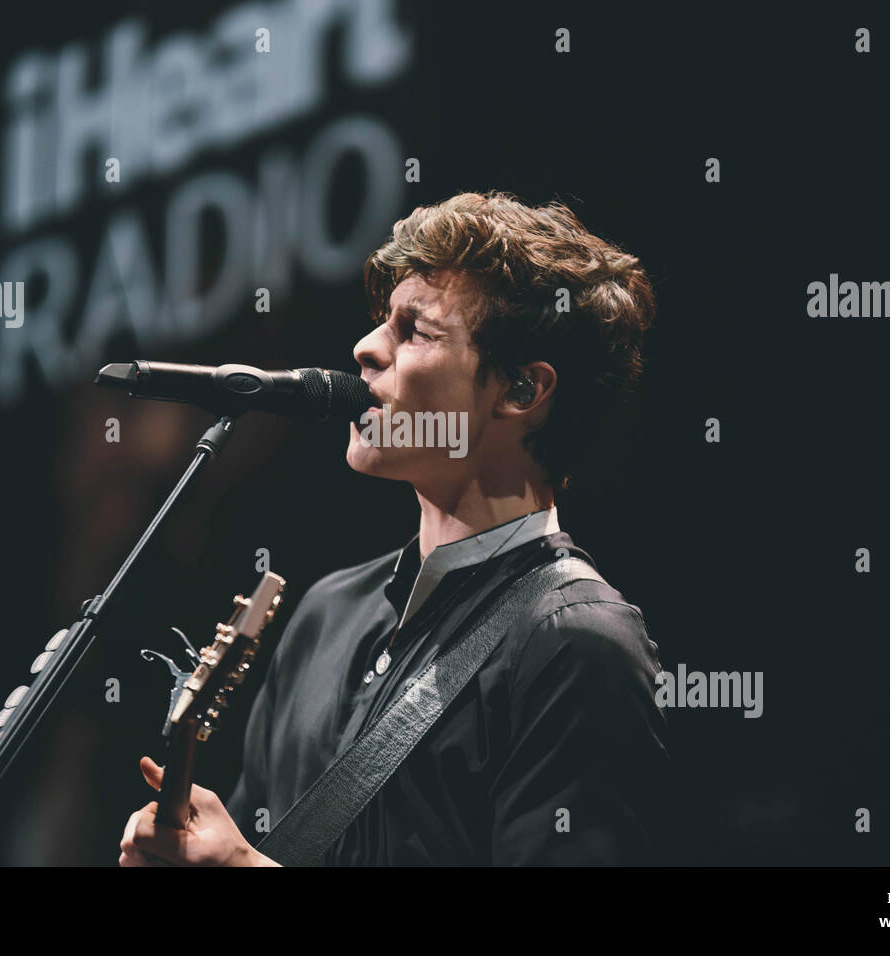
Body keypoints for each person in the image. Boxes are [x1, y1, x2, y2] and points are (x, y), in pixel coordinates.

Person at [120, 190, 668, 866]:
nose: (365, 348)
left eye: (416, 330)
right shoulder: (324, 614)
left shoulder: (577, 644)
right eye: (383, 321)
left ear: (522, 391)